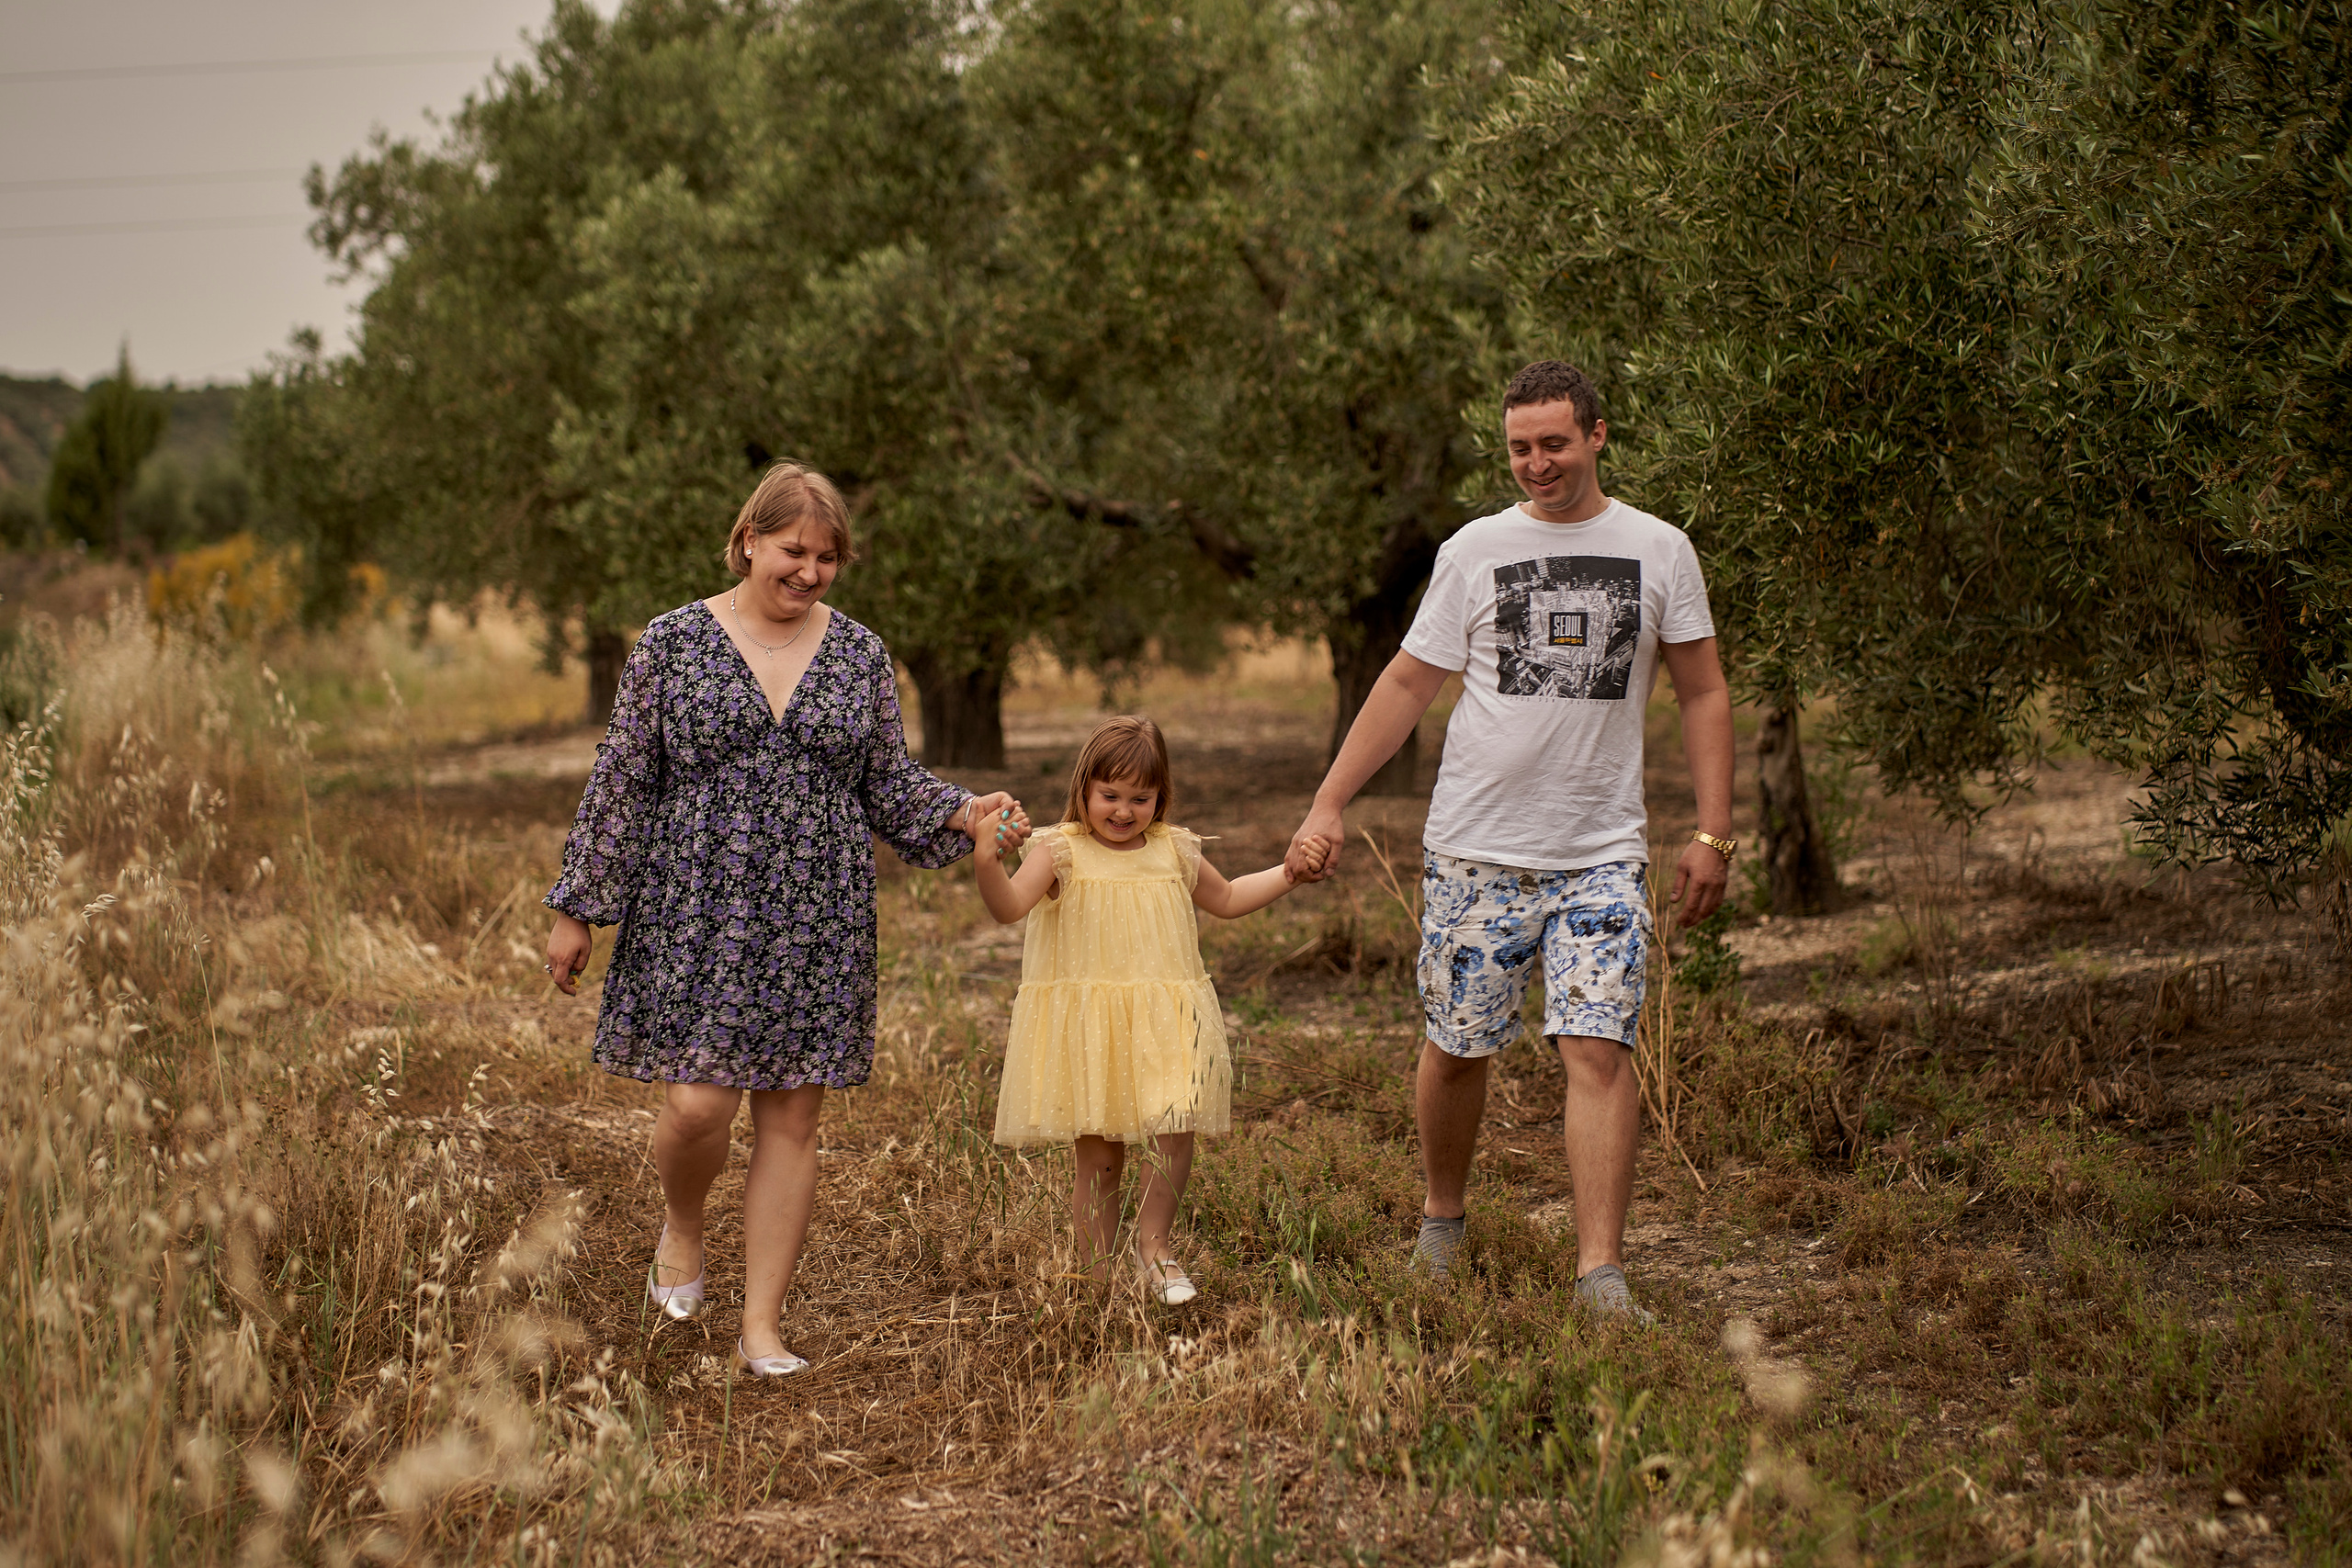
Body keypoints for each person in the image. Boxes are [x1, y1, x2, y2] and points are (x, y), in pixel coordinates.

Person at [542, 461, 1031, 1377]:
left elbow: (886, 782)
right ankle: (682, 1228)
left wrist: (964, 811)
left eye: (827, 557)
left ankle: (761, 1326)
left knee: (791, 1121)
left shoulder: (858, 655)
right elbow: (623, 781)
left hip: (818, 910)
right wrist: (579, 908)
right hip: (697, 902)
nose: (808, 571)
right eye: (792, 550)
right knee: (696, 1105)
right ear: (749, 541)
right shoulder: (672, 642)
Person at [1284, 360, 1735, 1322]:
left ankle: (1599, 1273)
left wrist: (1712, 831)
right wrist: (1329, 802)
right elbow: (1407, 684)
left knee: (1598, 1050)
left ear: (1597, 435)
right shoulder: (1474, 551)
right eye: (1521, 447)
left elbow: (1702, 689)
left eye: (1554, 443)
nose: (1536, 463)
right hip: (1475, 853)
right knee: (1458, 1046)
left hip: (1603, 853)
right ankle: (1442, 1221)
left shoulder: (1661, 551)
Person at [976, 716, 1328, 1304]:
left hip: (1166, 1016)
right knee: (1099, 1152)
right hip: (1094, 1028)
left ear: (1161, 796)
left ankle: (1156, 1249)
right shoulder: (1060, 850)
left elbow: (1230, 898)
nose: (1123, 810)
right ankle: (1093, 1274)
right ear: (1084, 789)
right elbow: (1009, 908)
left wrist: (1289, 874)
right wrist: (988, 862)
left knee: (1175, 1127)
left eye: (1141, 797)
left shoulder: (1174, 849)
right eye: (1109, 795)